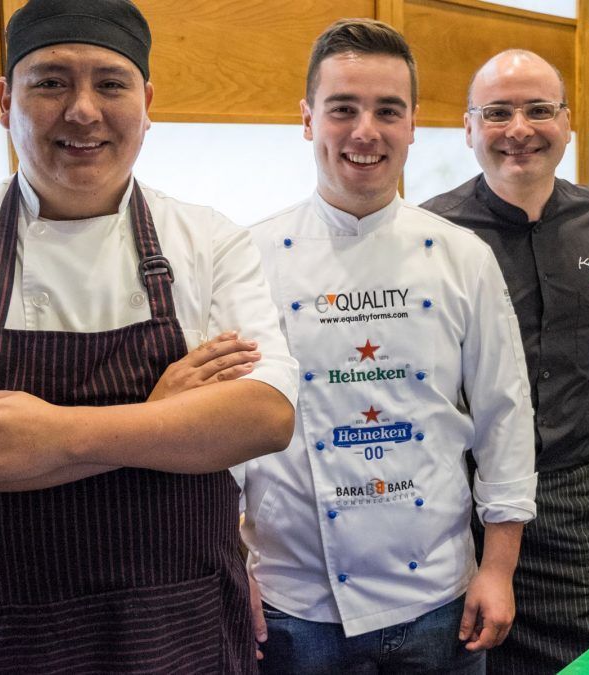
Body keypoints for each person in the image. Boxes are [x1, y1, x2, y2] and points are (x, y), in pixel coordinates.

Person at [0, 0, 297, 671]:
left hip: (183, 630)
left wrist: (51, 437)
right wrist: (166, 416)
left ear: (147, 100)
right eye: (51, 81)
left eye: (111, 83)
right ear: (6, 97)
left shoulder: (210, 240)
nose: (84, 110)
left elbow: (265, 417)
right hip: (1, 638)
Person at [240, 19, 537, 674]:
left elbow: (505, 416)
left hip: (439, 598)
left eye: (387, 111)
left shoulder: (463, 256)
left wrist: (498, 567)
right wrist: (234, 569)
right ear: (307, 119)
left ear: (413, 124)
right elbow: (223, 437)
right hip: (297, 608)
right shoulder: (249, 257)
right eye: (342, 108)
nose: (364, 131)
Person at [421, 50, 589, 672]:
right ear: (468, 129)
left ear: (567, 123)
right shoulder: (435, 232)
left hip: (569, 490)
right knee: (465, 656)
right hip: (457, 500)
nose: (520, 129)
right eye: (498, 112)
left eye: (539, 110)